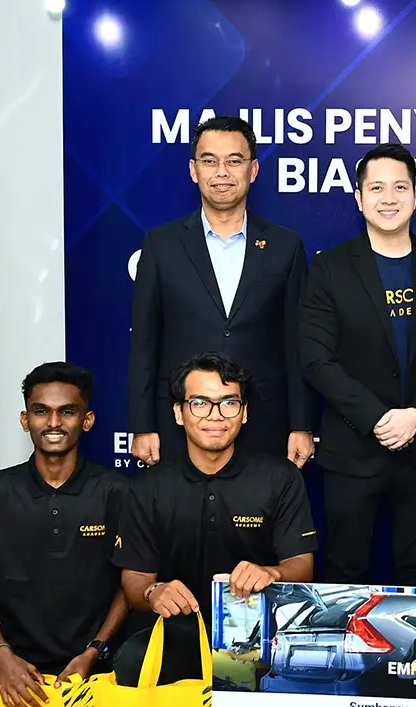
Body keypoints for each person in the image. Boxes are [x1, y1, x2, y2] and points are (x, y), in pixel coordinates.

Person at [300, 143, 416, 585]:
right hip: (352, 449)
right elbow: (316, 359)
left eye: (399, 187)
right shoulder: (331, 268)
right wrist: (376, 417)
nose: (388, 198)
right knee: (344, 571)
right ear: (359, 198)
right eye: (376, 188)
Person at [114, 352, 317, 685]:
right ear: (178, 413)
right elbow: (134, 579)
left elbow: (302, 566)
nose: (216, 416)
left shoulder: (279, 478)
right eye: (200, 403)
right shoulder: (149, 486)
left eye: (228, 403)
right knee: (133, 662)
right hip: (177, 630)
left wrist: (271, 572)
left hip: (256, 634)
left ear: (244, 412)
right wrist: (155, 593)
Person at [127, 115, 314, 468]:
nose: (222, 173)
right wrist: (141, 425)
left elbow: (297, 343)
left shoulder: (285, 246)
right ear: (193, 170)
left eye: (234, 161)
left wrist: (301, 424)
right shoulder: (161, 245)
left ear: (253, 170)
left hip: (264, 423)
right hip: (181, 424)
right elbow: (144, 343)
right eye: (210, 161)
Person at [0, 363, 130, 707]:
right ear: (25, 420)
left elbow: (130, 583)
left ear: (87, 420)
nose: (53, 423)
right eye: (41, 411)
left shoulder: (117, 492)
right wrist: (0, 656)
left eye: (67, 412)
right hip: (15, 668)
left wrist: (95, 652)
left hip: (100, 669)